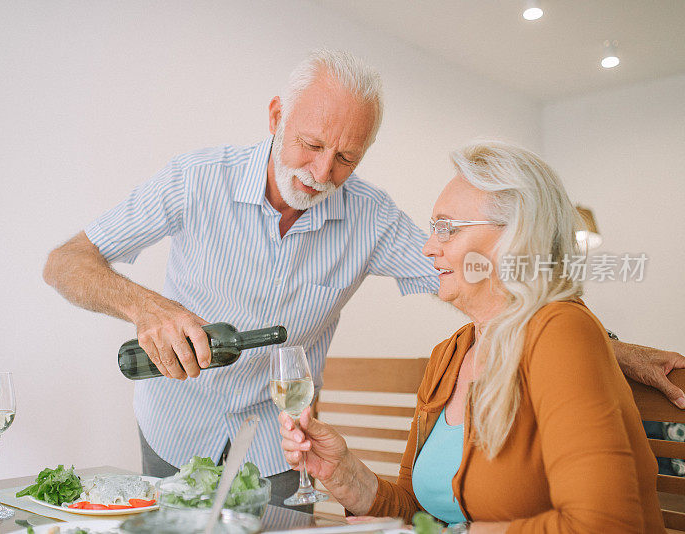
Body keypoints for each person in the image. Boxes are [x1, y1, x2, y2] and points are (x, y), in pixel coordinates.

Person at [43, 49, 683, 504]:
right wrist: (145, 308)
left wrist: (612, 351)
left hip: (280, 444)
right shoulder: (194, 180)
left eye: (346, 156)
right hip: (173, 428)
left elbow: (495, 290)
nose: (322, 172)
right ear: (275, 118)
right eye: (309, 146)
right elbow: (65, 261)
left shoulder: (370, 217)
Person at [278, 141, 665, 532]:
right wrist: (344, 474)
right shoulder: (451, 354)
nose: (429, 248)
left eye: (445, 228)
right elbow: (420, 513)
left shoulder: (560, 330)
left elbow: (606, 524)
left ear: (515, 236)